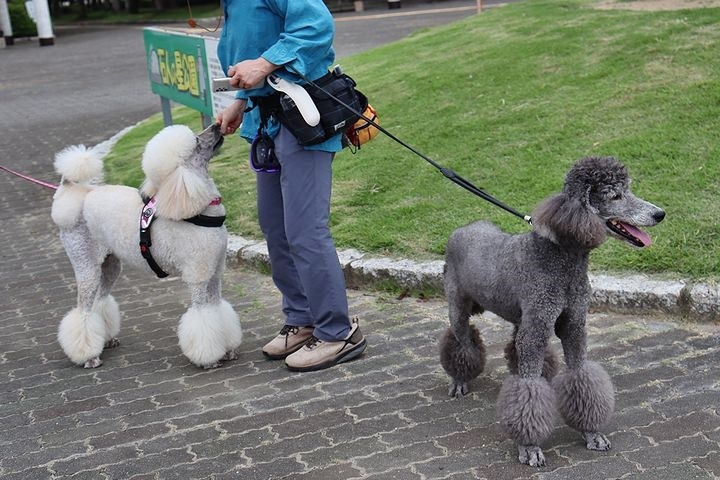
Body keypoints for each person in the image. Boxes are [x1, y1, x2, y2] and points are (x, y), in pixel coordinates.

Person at [216, 0, 366, 372]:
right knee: (276, 228)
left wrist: (264, 64)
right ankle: (303, 319)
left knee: (305, 230)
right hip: (266, 121)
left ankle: (337, 331)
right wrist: (240, 100)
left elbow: (315, 25)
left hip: (302, 119)